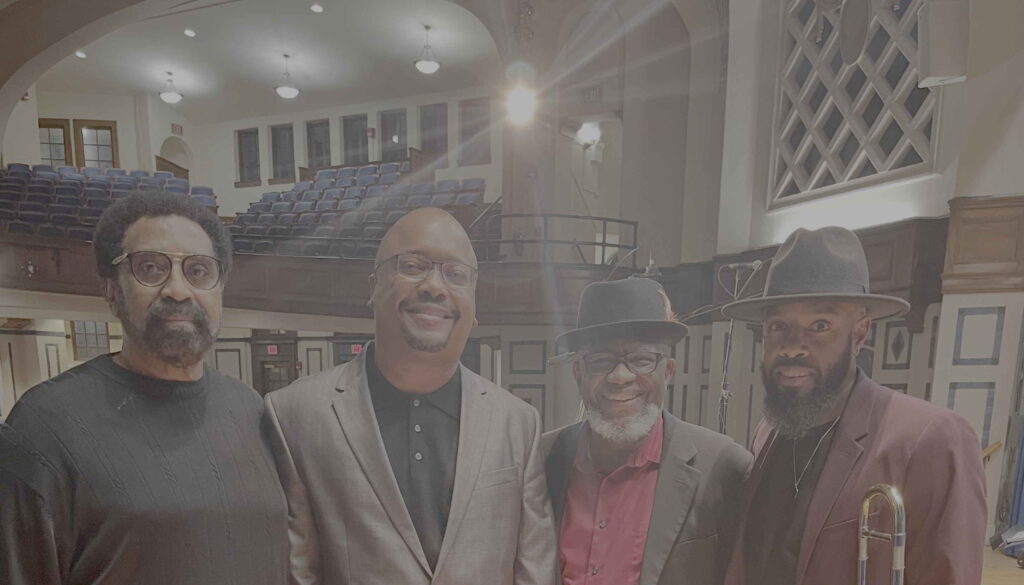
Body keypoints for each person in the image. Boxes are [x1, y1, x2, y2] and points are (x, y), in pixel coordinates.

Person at [0, 193, 288, 585]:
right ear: (111, 290)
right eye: (150, 268)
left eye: (198, 271)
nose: (178, 290)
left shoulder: (249, 407)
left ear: (220, 288)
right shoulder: (45, 425)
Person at [264, 207, 557, 585]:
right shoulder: (296, 414)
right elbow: (299, 573)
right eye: (413, 266)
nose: (435, 286)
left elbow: (535, 570)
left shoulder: (519, 423)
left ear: (475, 303)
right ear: (372, 287)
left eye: (455, 274)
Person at [721, 226, 986, 585]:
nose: (793, 347)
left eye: (820, 325)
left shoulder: (931, 439)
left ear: (859, 333)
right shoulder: (769, 431)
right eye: (778, 326)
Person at [544, 277, 752, 585]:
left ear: (667, 371)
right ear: (578, 374)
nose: (620, 377)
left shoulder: (724, 467)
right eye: (600, 361)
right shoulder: (542, 458)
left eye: (641, 360)